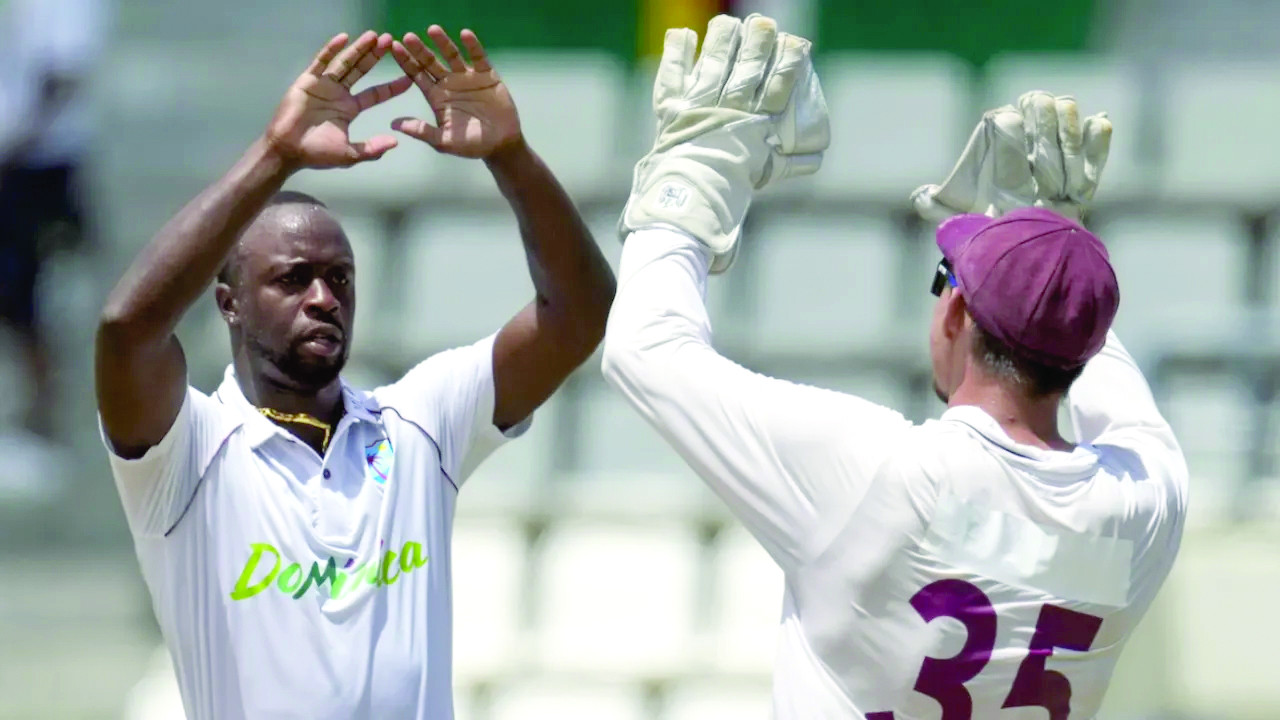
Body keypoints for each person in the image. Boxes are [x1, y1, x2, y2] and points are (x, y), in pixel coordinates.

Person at [603, 14, 1187, 719]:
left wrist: (692, 172)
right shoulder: (1145, 505)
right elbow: (1094, 356)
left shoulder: (879, 476)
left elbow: (645, 351)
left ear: (957, 315)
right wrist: (1048, 253)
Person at [96, 26, 614, 720]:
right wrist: (276, 156)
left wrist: (511, 157)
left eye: (340, 277)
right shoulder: (185, 453)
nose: (324, 297)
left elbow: (580, 315)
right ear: (230, 303)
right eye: (294, 279)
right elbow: (126, 331)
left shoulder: (421, 423)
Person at [0, 0, 106, 439]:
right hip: (21, 159)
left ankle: (46, 406)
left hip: (39, 163)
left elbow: (62, 76)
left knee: (23, 289)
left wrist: (12, 146)